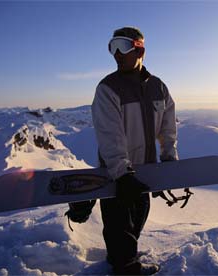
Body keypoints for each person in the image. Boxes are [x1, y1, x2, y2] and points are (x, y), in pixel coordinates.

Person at [90, 26, 178, 275]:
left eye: (123, 46)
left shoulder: (159, 87)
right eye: (112, 47)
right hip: (118, 174)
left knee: (136, 222)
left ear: (140, 50)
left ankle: (120, 261)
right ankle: (126, 269)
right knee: (120, 228)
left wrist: (170, 159)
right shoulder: (108, 88)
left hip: (145, 171)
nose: (116, 53)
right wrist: (122, 173)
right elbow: (109, 135)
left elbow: (168, 126)